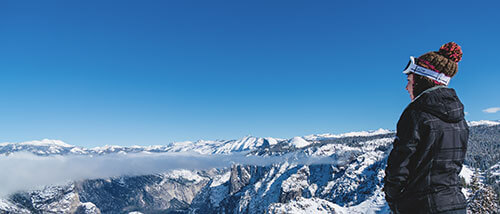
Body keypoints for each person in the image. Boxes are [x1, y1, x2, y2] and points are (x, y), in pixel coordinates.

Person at [384, 42, 468, 214]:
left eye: (409, 80)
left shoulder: (416, 113)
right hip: (456, 205)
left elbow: (399, 166)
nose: (406, 87)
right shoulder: (460, 118)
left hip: (421, 206)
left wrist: (394, 201)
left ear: (422, 79)